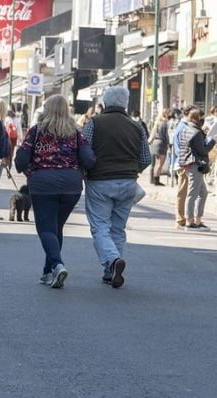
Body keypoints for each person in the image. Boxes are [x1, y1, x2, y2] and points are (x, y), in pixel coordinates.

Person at [21, 95, 96, 288]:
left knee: (45, 229)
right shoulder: (76, 133)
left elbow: (20, 160)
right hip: (71, 185)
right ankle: (48, 273)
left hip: (43, 183)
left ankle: (57, 264)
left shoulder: (36, 132)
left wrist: (28, 168)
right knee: (56, 227)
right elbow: (89, 160)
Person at [83, 86, 151, 288]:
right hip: (128, 182)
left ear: (104, 103)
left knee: (100, 227)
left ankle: (112, 261)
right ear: (126, 104)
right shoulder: (137, 126)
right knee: (118, 228)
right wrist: (133, 170)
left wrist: (87, 171)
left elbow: (84, 151)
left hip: (100, 181)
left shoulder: (94, 123)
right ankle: (110, 270)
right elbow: (146, 158)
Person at [179, 108, 217, 232]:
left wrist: (204, 134)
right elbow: (203, 150)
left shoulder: (187, 129)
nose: (203, 119)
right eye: (201, 117)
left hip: (189, 163)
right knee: (193, 193)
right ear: (196, 118)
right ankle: (190, 221)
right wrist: (213, 141)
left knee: (202, 193)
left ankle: (197, 220)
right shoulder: (196, 132)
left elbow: (192, 145)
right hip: (195, 164)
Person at [171, 105, 197, 229]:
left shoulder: (182, 126)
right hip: (184, 163)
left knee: (184, 191)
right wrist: (184, 161)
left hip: (183, 162)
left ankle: (182, 218)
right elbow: (179, 148)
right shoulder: (183, 127)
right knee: (183, 192)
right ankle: (180, 219)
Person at [148, 108, 172, 186]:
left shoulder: (157, 123)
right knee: (160, 164)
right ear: (166, 114)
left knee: (155, 163)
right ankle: (157, 181)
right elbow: (166, 135)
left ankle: (154, 179)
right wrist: (168, 145)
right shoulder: (164, 123)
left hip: (155, 142)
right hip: (161, 143)